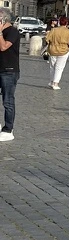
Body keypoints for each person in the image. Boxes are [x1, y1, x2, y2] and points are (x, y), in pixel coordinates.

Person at [0, 10, 21, 142]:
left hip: (9, 71)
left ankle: (8, 129)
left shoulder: (13, 32)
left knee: (7, 101)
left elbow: (3, 47)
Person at [45, 16, 69, 90]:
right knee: (59, 67)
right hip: (64, 50)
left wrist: (50, 44)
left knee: (52, 66)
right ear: (67, 23)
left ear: (59, 22)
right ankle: (55, 83)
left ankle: (51, 81)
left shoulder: (54, 30)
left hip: (53, 49)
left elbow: (47, 38)